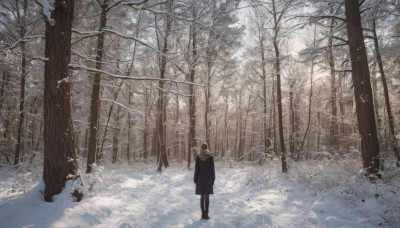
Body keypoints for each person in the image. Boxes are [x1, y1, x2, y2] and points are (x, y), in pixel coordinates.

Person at [194, 143, 215, 220]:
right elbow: (212, 170)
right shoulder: (210, 157)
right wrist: (213, 179)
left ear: (201, 148)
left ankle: (202, 214)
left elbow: (196, 169)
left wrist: (195, 179)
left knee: (202, 196)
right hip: (208, 179)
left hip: (200, 179)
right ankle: (206, 214)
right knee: (207, 196)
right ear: (207, 148)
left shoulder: (198, 157)